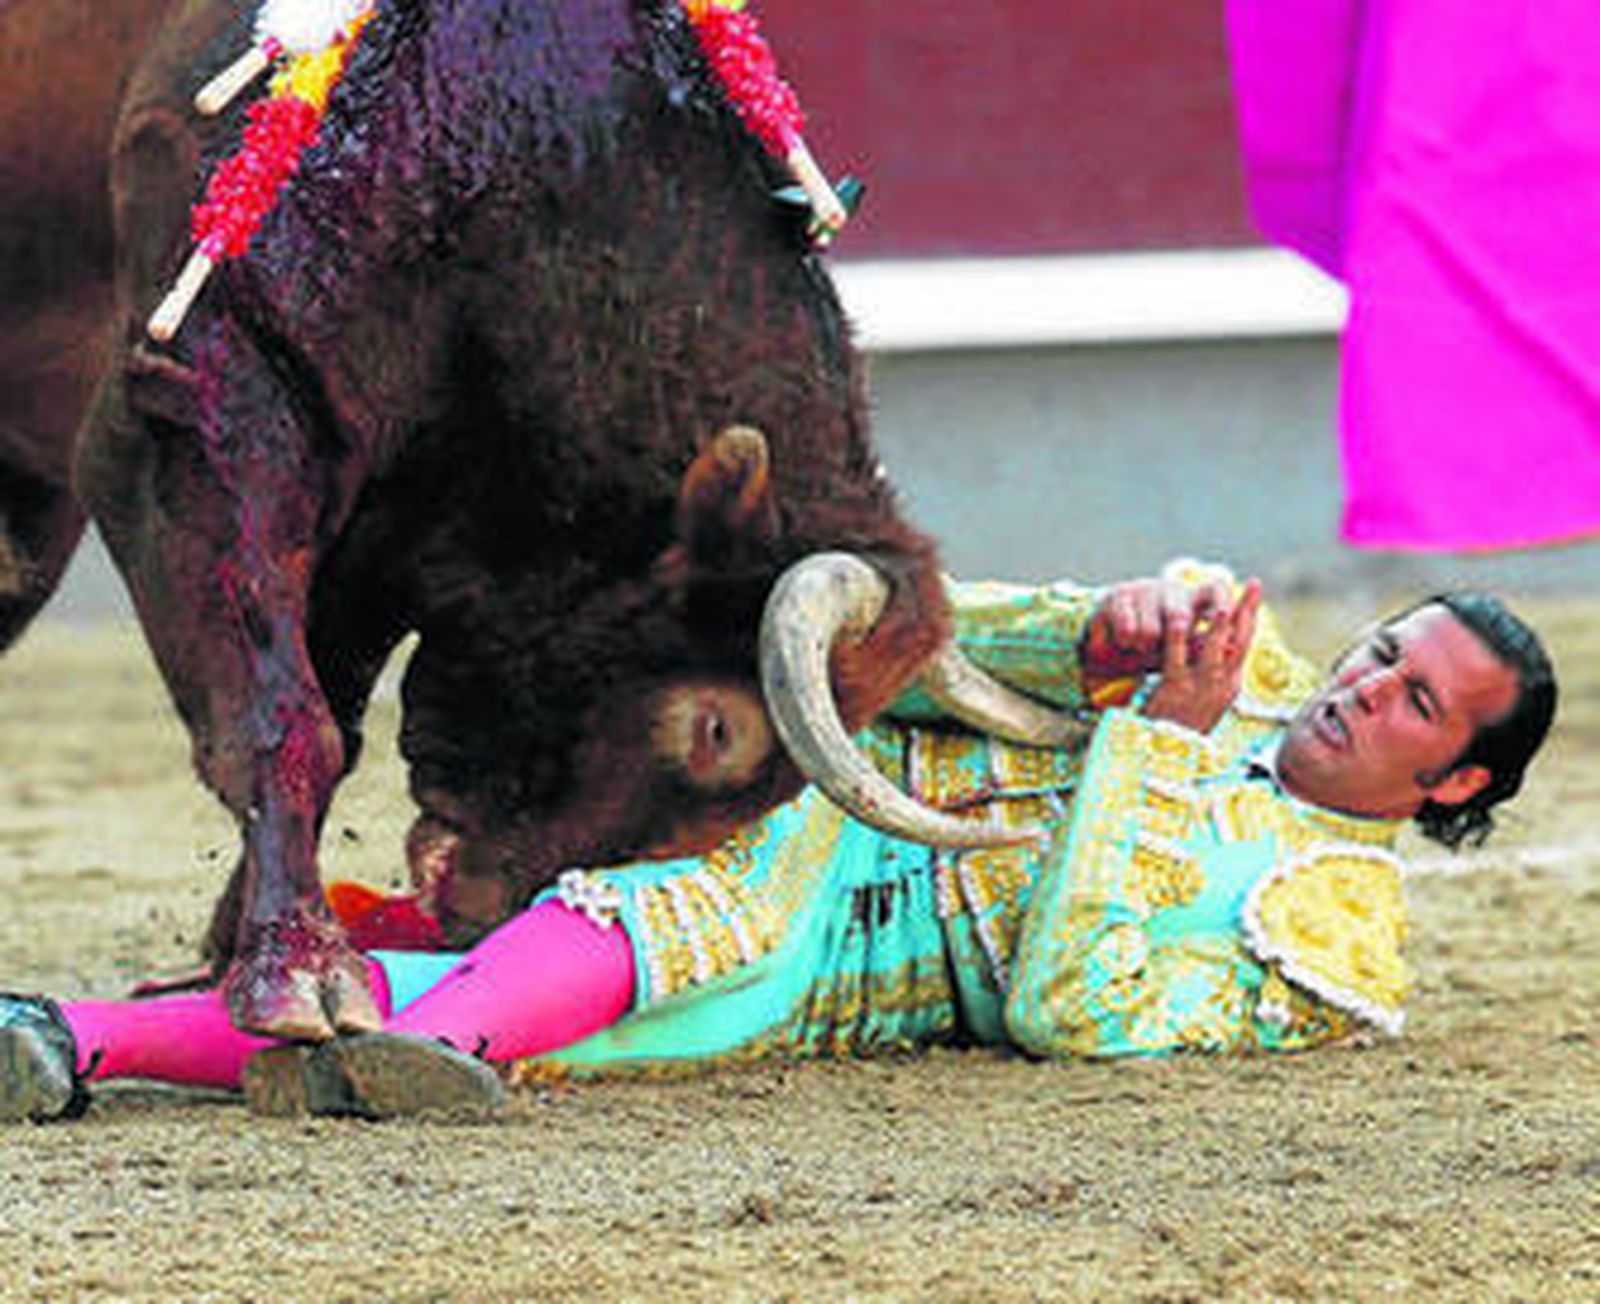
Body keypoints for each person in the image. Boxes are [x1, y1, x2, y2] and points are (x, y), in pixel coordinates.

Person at [0, 562, 1557, 1121]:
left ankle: (83, 1039)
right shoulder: (1231, 659)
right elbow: (910, 643)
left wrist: (1153, 743)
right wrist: (1090, 636)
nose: (1364, 688)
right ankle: (425, 1041)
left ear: (1455, 789)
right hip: (801, 784)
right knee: (644, 855)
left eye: (1416, 704)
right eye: (1384, 653)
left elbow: (1075, 1009)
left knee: (655, 939)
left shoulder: (1335, 947)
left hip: (850, 963)